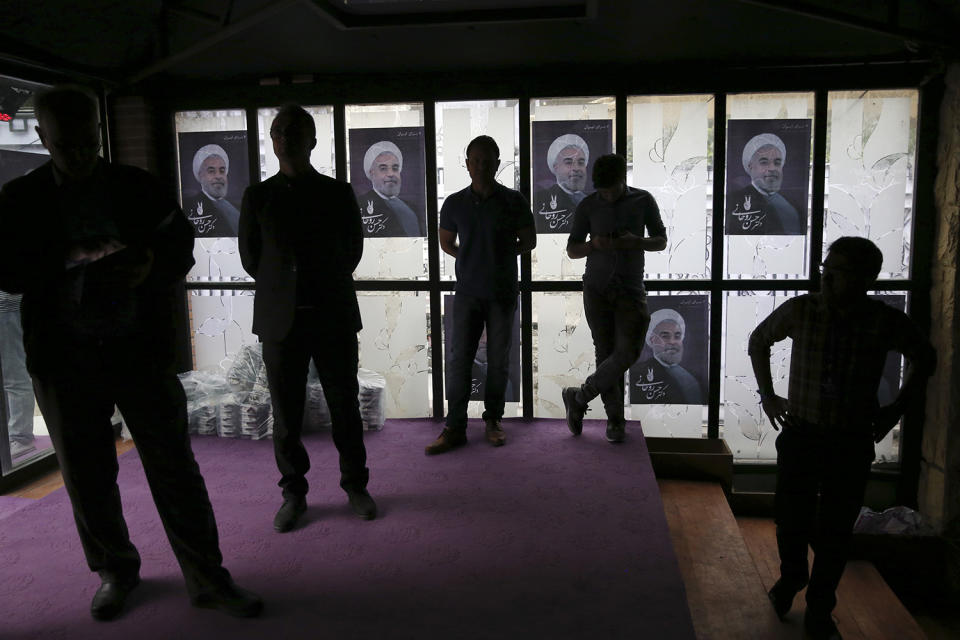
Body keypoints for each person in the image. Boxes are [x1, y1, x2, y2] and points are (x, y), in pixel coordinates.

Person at [0, 85, 262, 620]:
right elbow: (6, 272)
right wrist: (72, 256)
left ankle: (206, 575)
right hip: (64, 356)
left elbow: (181, 245)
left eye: (88, 139)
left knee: (174, 468)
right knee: (86, 474)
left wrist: (150, 267)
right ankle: (115, 571)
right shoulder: (19, 200)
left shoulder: (136, 186)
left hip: (139, 350)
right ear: (43, 138)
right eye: (65, 142)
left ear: (99, 131)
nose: (79, 151)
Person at [748, 237, 934, 640]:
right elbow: (758, 341)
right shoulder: (802, 310)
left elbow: (926, 356)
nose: (827, 279)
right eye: (825, 270)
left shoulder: (882, 320)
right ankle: (792, 576)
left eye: (838, 272)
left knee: (836, 529)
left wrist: (896, 409)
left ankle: (820, 605)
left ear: (866, 279)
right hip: (801, 434)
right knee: (791, 518)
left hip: (849, 441)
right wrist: (767, 395)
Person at [239, 103, 376, 532]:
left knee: (344, 407)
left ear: (312, 141)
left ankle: (355, 485)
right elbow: (251, 258)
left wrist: (319, 282)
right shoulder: (258, 196)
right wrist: (285, 286)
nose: (285, 138)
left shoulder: (338, 192)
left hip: (332, 314)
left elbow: (352, 250)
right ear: (272, 140)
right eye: (279, 131)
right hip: (281, 321)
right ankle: (293, 493)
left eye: (295, 132)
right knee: (286, 413)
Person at [426, 135, 536, 454]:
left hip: (502, 293)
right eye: (476, 161)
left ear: (498, 164)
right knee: (459, 359)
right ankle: (454, 427)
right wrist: (471, 256)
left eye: (488, 161)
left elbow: (528, 241)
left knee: (499, 360)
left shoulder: (514, 201)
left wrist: (499, 255)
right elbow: (446, 242)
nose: (481, 166)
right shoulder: (454, 203)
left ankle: (493, 421)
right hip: (467, 295)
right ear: (467, 164)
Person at [561, 153, 667, 443]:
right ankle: (615, 421)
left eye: (611, 189)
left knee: (628, 352)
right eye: (601, 190)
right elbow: (572, 250)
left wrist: (636, 242)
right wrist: (594, 245)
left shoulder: (643, 200)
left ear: (623, 179)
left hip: (631, 289)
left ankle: (579, 397)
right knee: (605, 353)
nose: (606, 196)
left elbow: (661, 240)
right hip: (596, 288)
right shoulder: (588, 204)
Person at [727, 133, 804, 235]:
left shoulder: (792, 204)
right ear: (750, 166)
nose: (772, 168)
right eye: (764, 162)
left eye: (777, 163)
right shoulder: (735, 201)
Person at [631, 308, 703, 404]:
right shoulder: (638, 373)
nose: (672, 342)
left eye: (677, 336)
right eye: (665, 336)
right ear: (652, 340)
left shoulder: (692, 377)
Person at [357, 140, 425, 237]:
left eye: (395, 168)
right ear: (372, 173)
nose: (391, 174)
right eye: (383, 168)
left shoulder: (412, 208)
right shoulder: (359, 205)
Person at [0, 290, 36, 459]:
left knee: (14, 375)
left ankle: (20, 437)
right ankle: (13, 435)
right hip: (7, 306)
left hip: (7, 306)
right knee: (10, 376)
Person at [533, 134, 589, 234]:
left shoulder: (592, 200)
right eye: (568, 162)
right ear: (556, 167)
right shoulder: (541, 199)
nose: (576, 168)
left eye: (581, 162)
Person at [184, 144, 241, 237]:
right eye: (211, 171)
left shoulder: (236, 207)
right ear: (200, 175)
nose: (218, 176)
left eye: (222, 171)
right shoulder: (189, 206)